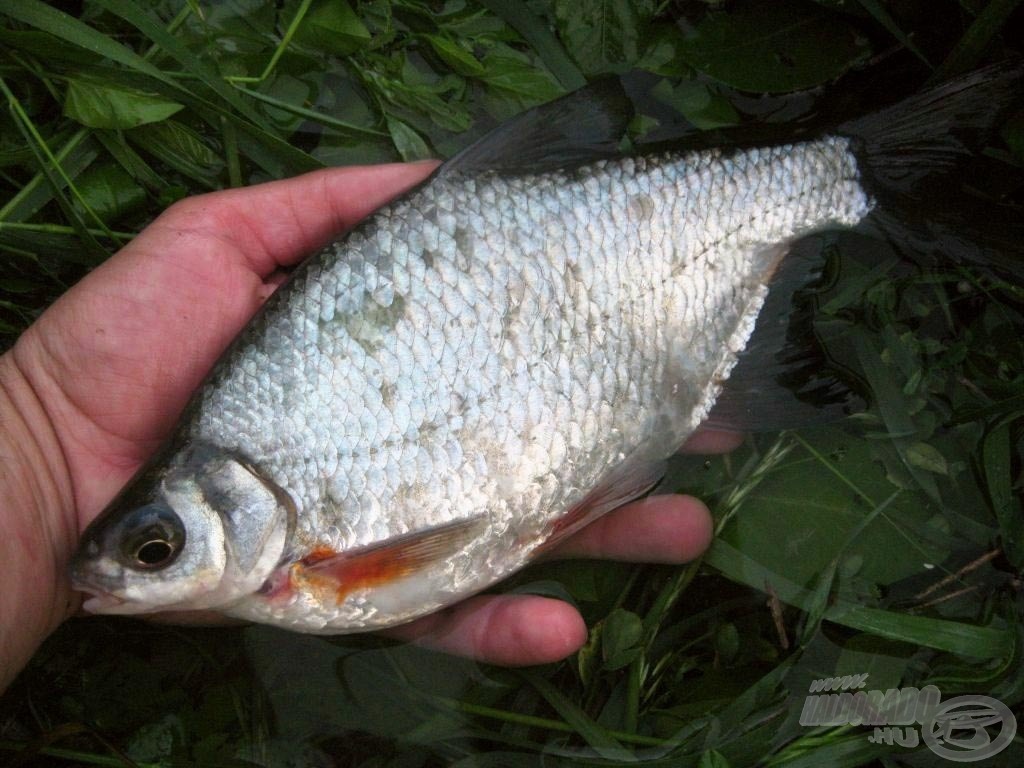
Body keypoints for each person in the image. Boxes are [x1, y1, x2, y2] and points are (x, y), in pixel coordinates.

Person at [0, 162, 739, 692]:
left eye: (157, 548)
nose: (141, 564)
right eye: (157, 550)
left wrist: (33, 441)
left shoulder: (298, 561)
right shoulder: (253, 508)